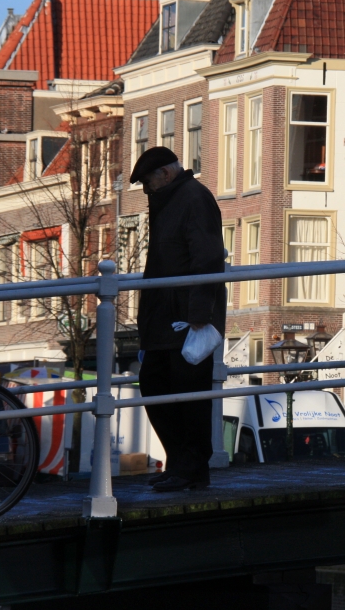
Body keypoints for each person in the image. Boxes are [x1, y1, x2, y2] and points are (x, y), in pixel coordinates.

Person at [130, 146, 226, 492]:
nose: (145, 189)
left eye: (147, 182)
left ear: (166, 175)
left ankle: (192, 468)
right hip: (164, 317)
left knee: (187, 393)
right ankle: (182, 464)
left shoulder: (193, 199)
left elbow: (208, 256)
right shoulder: (170, 201)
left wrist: (199, 314)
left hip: (184, 319)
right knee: (156, 385)